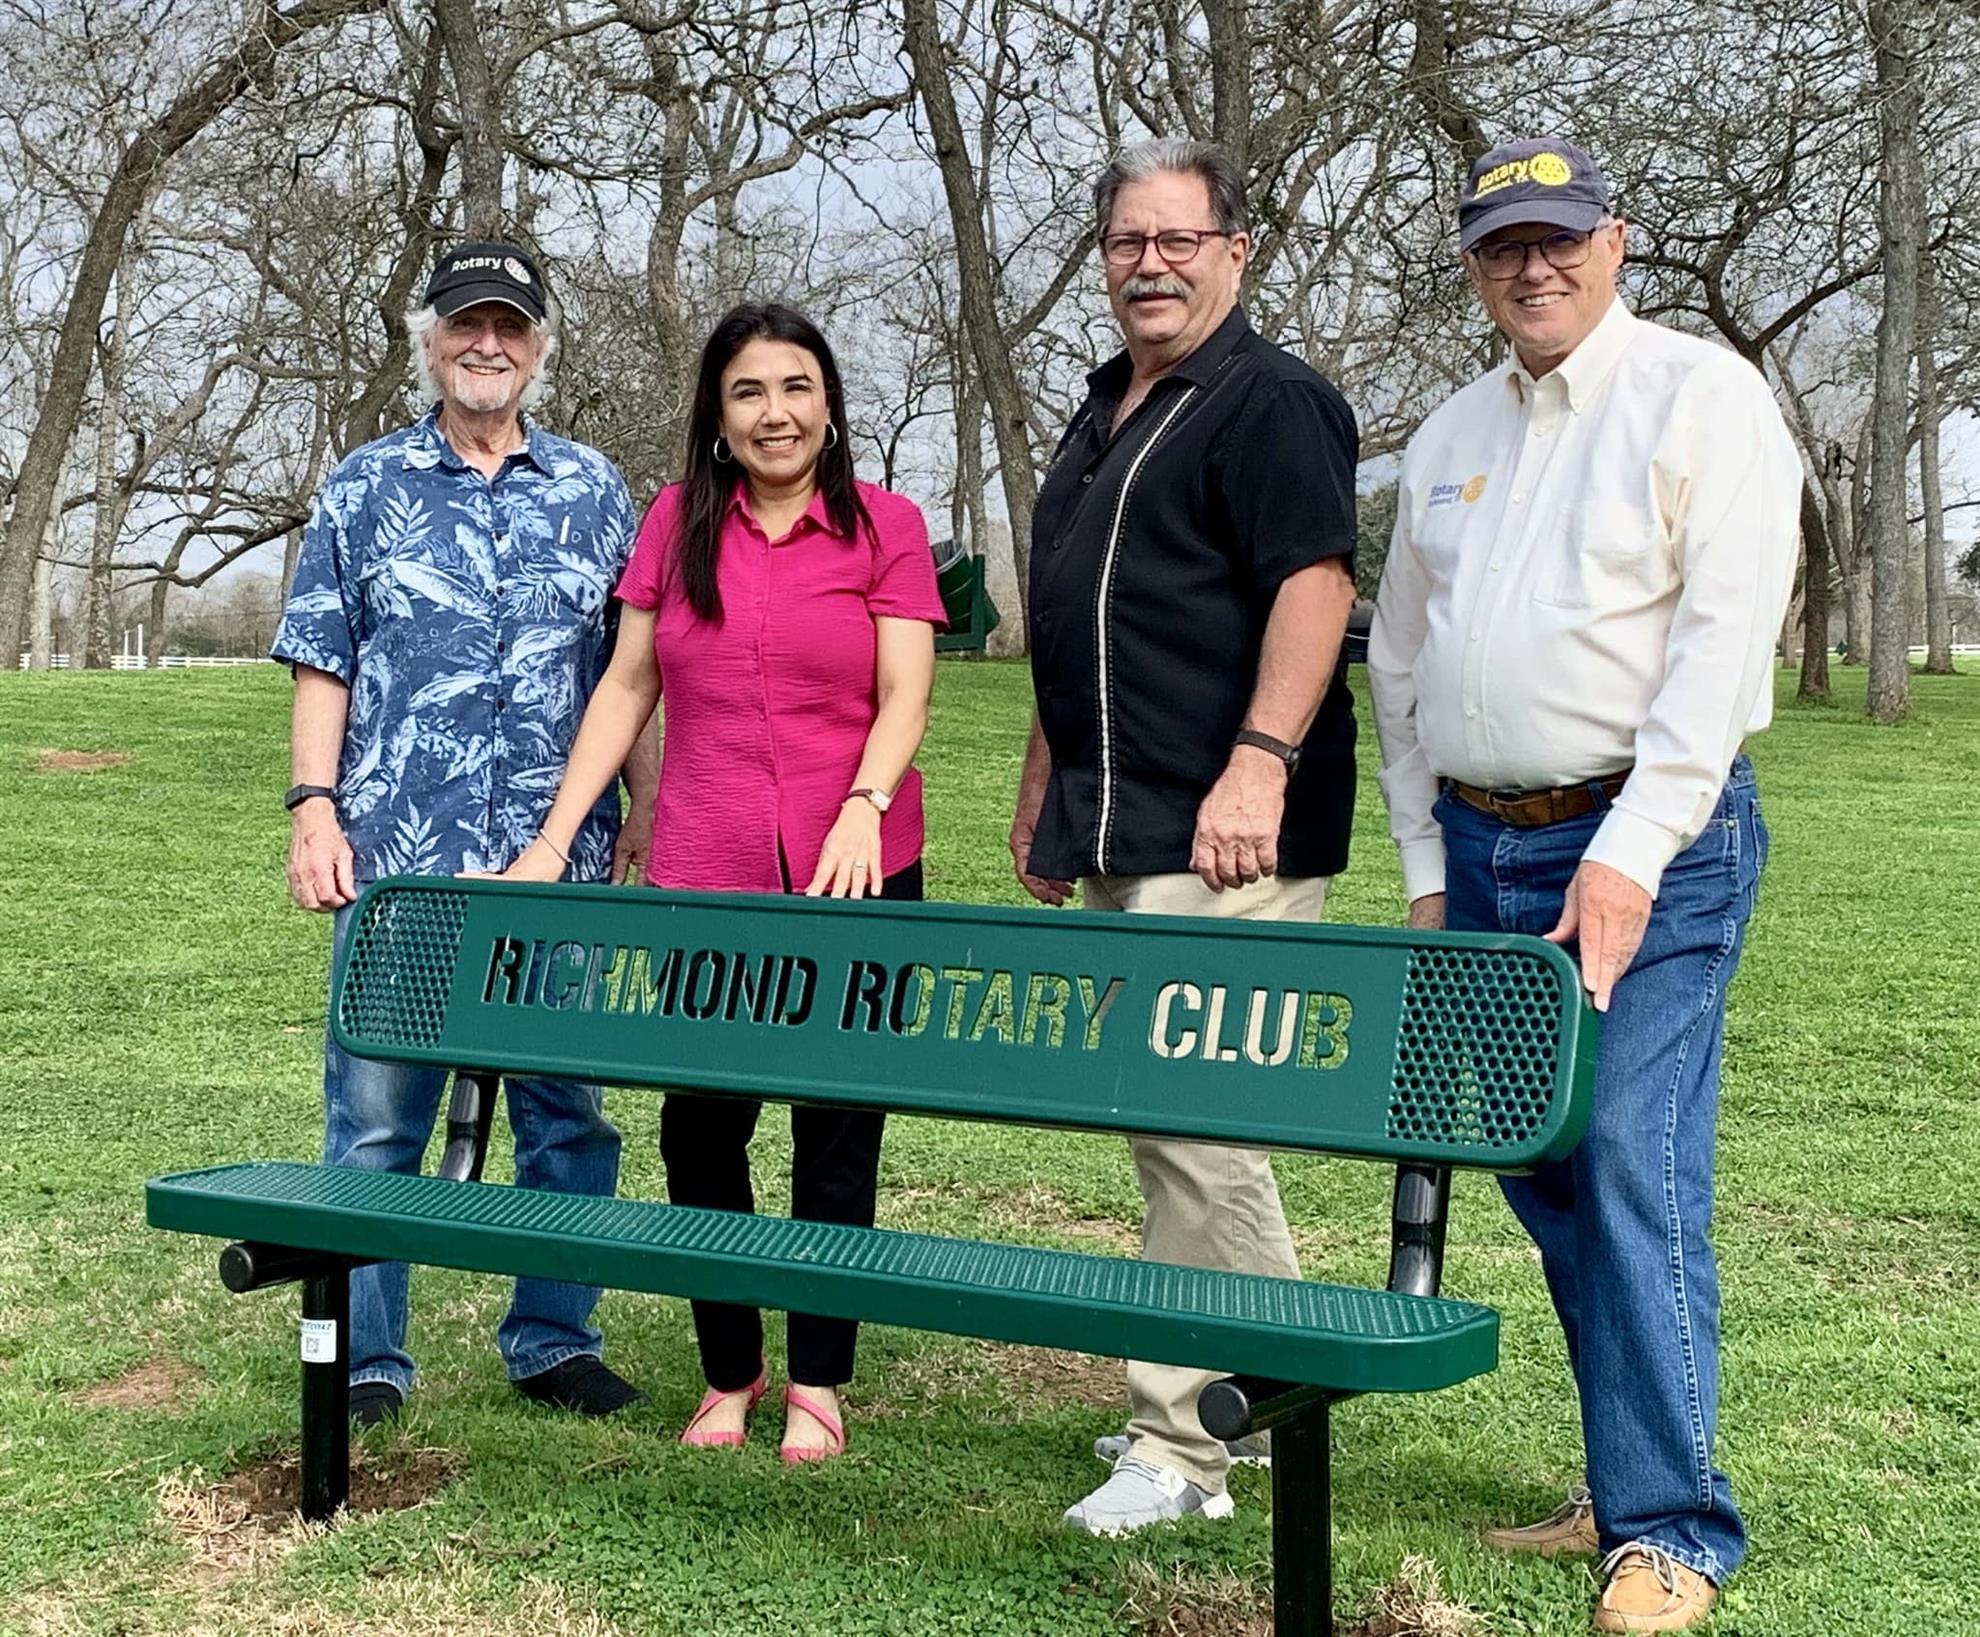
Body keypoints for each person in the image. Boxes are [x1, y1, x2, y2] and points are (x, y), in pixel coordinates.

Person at [1368, 139, 1800, 1633]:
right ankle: (1621, 1482)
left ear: (1617, 241)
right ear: (1476, 262)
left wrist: (1626, 858)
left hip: (1649, 844)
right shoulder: (1449, 432)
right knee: (1546, 1168)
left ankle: (1674, 1530)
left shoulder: (1702, 400)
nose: (1532, 267)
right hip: (1482, 849)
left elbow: (1720, 656)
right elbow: (1403, 660)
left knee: (1628, 1156)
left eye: (1559, 239)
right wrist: (1427, 866)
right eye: (1502, 246)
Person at [501, 302, 943, 1462]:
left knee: (836, 1131)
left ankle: (821, 1381)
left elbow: (905, 690)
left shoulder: (884, 525)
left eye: (796, 387)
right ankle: (730, 1370)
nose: (775, 412)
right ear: (718, 415)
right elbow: (628, 684)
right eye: (749, 392)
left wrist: (864, 803)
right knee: (704, 1130)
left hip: (859, 867)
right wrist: (556, 837)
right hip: (711, 871)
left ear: (831, 404)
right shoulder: (676, 524)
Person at [1010, 137, 1360, 1535]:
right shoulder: (1105, 408)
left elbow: (1316, 584)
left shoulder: (1269, 401)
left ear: (1236, 252)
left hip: (1229, 830)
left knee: (1190, 1126)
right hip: (1123, 816)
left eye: (1177, 240)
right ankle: (1261, 1388)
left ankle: (1179, 1449)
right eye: (1124, 242)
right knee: (1190, 1130)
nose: (1148, 264)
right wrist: (1050, 788)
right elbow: (1076, 621)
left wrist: (1258, 767)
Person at [272, 240, 652, 1428]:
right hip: (403, 866)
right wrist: (312, 808)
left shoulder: (597, 490)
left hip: (558, 865)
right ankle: (370, 1360)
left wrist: (644, 812)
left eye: (511, 325)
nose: (488, 343)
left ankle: (553, 1335)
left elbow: (628, 672)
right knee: (378, 1116)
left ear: (540, 347)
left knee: (569, 1114)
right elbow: (323, 660)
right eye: (465, 322)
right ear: (427, 336)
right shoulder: (363, 485)